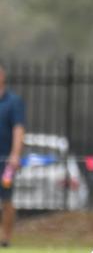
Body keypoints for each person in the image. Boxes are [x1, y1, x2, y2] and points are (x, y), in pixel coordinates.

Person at [0, 65, 25, 247]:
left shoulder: (13, 102)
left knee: (6, 199)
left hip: (6, 162)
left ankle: (6, 238)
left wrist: (15, 155)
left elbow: (18, 129)